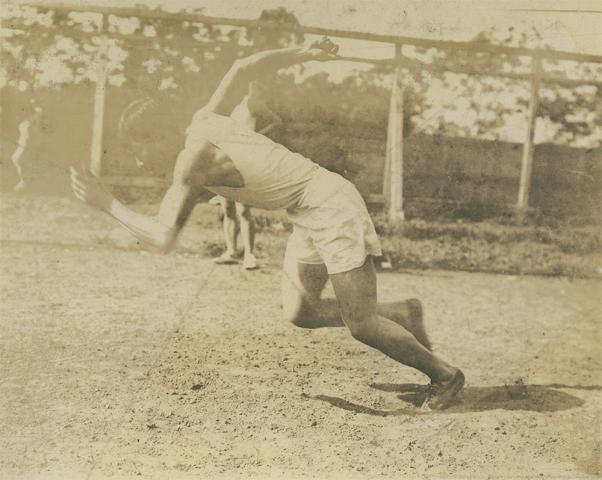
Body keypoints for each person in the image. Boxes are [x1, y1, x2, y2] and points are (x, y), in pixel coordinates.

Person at [70, 37, 464, 410]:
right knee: (301, 313)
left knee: (360, 324)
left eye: (139, 149)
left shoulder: (192, 160)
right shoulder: (203, 119)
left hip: (331, 206)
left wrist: (104, 202)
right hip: (309, 210)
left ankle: (445, 376)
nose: (139, 161)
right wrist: (304, 51)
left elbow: (162, 237)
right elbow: (243, 66)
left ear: (156, 136)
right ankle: (401, 313)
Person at [209, 83, 282, 270]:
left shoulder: (253, 103)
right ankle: (231, 251)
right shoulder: (235, 105)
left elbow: (276, 122)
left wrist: (255, 136)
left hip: (244, 158)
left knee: (243, 209)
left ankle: (249, 255)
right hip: (228, 156)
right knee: (227, 208)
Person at [11, 105, 42, 191]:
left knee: (19, 160)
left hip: (27, 144)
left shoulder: (34, 120)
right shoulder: (25, 120)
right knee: (15, 158)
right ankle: (23, 181)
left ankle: (24, 183)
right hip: (22, 143)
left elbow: (35, 132)